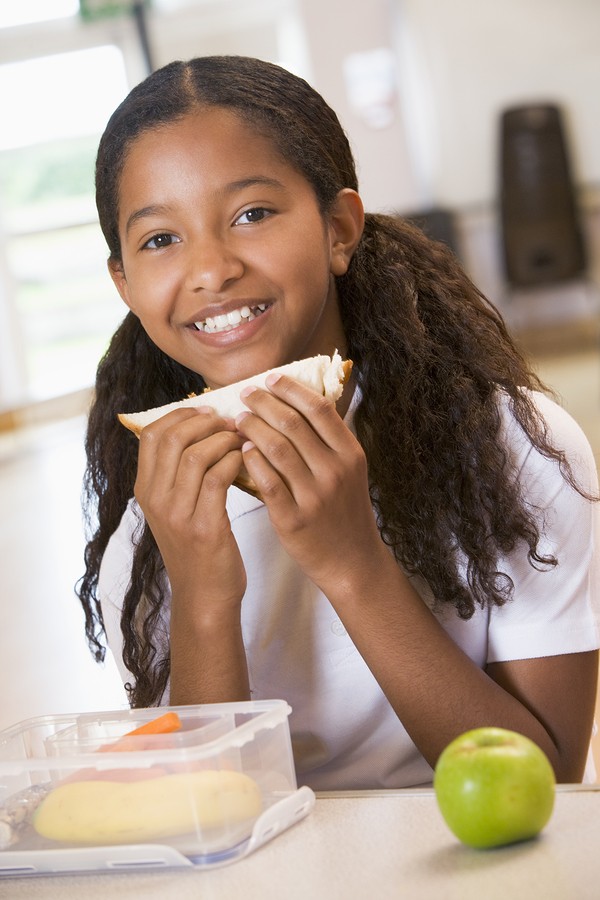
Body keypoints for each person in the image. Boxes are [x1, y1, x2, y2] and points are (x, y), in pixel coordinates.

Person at [78, 55, 599, 791]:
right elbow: (200, 814)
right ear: (125, 285)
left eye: (252, 214)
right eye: (161, 238)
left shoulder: (512, 449)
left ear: (339, 228)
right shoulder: (147, 531)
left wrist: (355, 566)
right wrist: (200, 592)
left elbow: (548, 785)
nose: (211, 269)